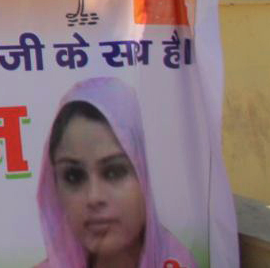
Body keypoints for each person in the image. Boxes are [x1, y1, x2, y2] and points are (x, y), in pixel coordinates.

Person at [36, 77, 196, 268]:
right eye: (74, 177)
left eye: (114, 172)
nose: (94, 197)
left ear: (146, 174)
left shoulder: (177, 263)